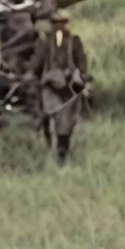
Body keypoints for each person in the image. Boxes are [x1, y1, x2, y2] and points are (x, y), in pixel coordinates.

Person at [30, 11, 91, 163]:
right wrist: (32, 77)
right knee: (49, 116)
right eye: (56, 22)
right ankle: (50, 143)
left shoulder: (74, 41)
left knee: (67, 122)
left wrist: (82, 79)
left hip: (70, 86)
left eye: (63, 22)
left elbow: (82, 63)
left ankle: (63, 154)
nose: (60, 26)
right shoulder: (44, 42)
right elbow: (36, 65)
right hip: (50, 86)